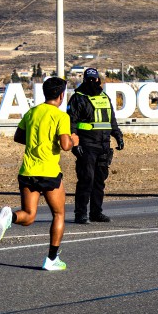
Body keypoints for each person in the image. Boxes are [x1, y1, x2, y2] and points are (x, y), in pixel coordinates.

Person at [0, 76, 79, 271]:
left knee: (29, 216)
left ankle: (9, 218)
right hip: (48, 172)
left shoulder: (32, 112)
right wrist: (74, 140)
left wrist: (37, 141)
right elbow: (65, 146)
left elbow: (18, 136)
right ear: (62, 95)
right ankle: (51, 259)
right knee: (58, 214)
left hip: (28, 171)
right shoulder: (61, 116)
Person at [67, 68, 124, 224]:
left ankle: (96, 212)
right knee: (86, 179)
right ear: (85, 80)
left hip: (104, 145)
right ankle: (80, 214)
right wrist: (74, 144)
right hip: (86, 145)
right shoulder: (78, 98)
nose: (93, 82)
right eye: (89, 79)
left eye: (95, 79)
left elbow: (111, 120)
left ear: (98, 80)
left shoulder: (105, 97)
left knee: (99, 181)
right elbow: (71, 123)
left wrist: (118, 135)